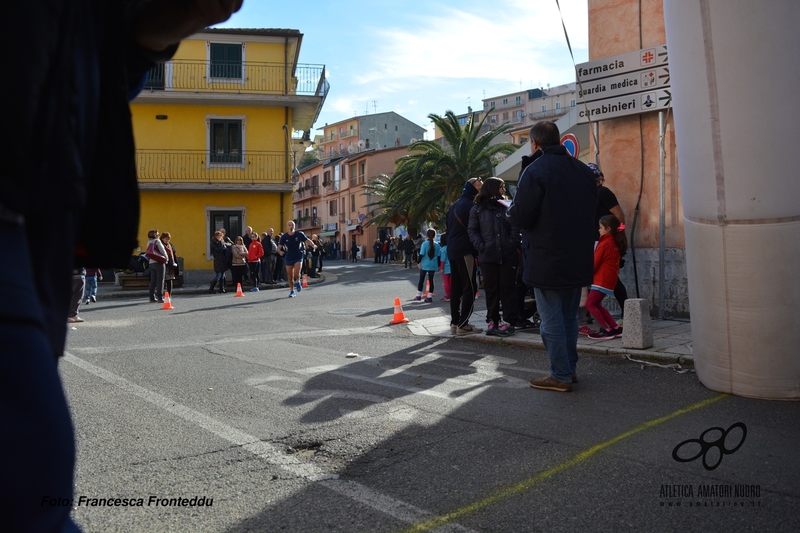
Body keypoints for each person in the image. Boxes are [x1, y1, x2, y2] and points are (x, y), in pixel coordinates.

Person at [2, 2, 243, 530]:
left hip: (45, 217)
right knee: (29, 488)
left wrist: (151, 39)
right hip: (19, 214)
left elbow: (94, 72)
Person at [508, 121, 597, 392]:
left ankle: (559, 374)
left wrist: (510, 210)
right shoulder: (583, 170)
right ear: (558, 140)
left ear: (534, 144)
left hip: (547, 256)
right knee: (570, 317)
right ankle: (568, 369)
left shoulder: (535, 170)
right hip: (578, 255)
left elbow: (521, 215)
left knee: (552, 319)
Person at [468, 177, 520, 336]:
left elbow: (516, 227)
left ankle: (509, 321)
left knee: (508, 288)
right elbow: (472, 230)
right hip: (488, 255)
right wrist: (481, 246)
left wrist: (512, 243)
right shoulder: (477, 209)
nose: (503, 190)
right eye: (501, 187)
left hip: (507, 254)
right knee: (491, 289)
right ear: (492, 188)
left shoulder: (507, 206)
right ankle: (492, 320)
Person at [587, 162, 629, 319]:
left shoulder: (603, 192)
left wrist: (618, 235)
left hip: (606, 242)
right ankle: (593, 312)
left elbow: (620, 215)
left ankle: (626, 312)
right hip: (595, 241)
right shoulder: (589, 195)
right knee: (603, 278)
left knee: (610, 278)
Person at [446, 178, 484, 335]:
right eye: (479, 183)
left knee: (456, 287)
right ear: (471, 187)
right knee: (470, 286)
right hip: (464, 250)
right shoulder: (471, 206)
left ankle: (455, 323)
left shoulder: (454, 206)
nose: (481, 185)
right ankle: (464, 324)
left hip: (452, 250)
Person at [586, 215, 628, 339]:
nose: (599, 230)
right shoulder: (614, 241)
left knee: (590, 304)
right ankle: (614, 328)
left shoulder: (605, 242)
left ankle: (606, 329)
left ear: (608, 229)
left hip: (601, 279)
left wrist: (586, 273)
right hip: (608, 279)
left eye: (601, 228)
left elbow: (595, 262)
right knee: (597, 304)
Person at [279, 220, 315, 297]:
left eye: (292, 225)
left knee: (296, 272)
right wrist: (279, 251)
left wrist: (313, 245)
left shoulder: (299, 234)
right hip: (288, 257)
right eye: (289, 225)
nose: (291, 226)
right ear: (287, 227)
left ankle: (298, 281)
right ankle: (292, 291)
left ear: (294, 226)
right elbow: (279, 247)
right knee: (290, 275)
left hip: (298, 256)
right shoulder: (284, 237)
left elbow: (307, 240)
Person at [414, 229, 441, 302]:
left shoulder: (424, 244)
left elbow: (421, 255)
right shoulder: (437, 245)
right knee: (431, 280)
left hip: (425, 264)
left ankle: (418, 295)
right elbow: (439, 256)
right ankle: (429, 296)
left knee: (421, 279)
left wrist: (418, 262)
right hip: (433, 265)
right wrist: (438, 265)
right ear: (435, 236)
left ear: (427, 235)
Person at [146, 229, 168, 303]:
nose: (159, 235)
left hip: (151, 263)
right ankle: (160, 297)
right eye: (158, 234)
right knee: (160, 280)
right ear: (155, 235)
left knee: (153, 281)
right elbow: (162, 250)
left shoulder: (149, 242)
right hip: (159, 262)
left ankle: (151, 297)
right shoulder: (157, 241)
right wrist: (166, 258)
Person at [160, 231, 178, 296]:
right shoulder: (160, 245)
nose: (168, 240)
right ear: (162, 238)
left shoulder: (170, 245)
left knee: (170, 280)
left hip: (170, 265)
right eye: (166, 239)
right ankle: (160, 294)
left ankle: (169, 295)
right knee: (162, 280)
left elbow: (174, 253)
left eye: (168, 239)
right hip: (163, 264)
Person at [439, 233, 451, 301]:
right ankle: (453, 294)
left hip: (446, 267)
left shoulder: (443, 249)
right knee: (452, 282)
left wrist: (441, 268)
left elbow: (442, 260)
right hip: (452, 266)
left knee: (446, 282)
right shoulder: (451, 247)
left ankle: (448, 295)